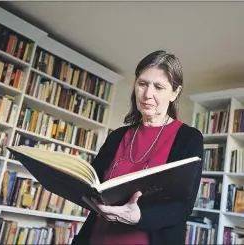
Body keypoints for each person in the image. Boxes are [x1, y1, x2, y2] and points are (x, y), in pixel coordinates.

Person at [71, 50, 204, 245]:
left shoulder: (189, 138)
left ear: (175, 93)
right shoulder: (117, 136)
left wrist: (139, 217)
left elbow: (183, 207)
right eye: (142, 84)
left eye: (158, 87)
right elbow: (92, 185)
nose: (147, 94)